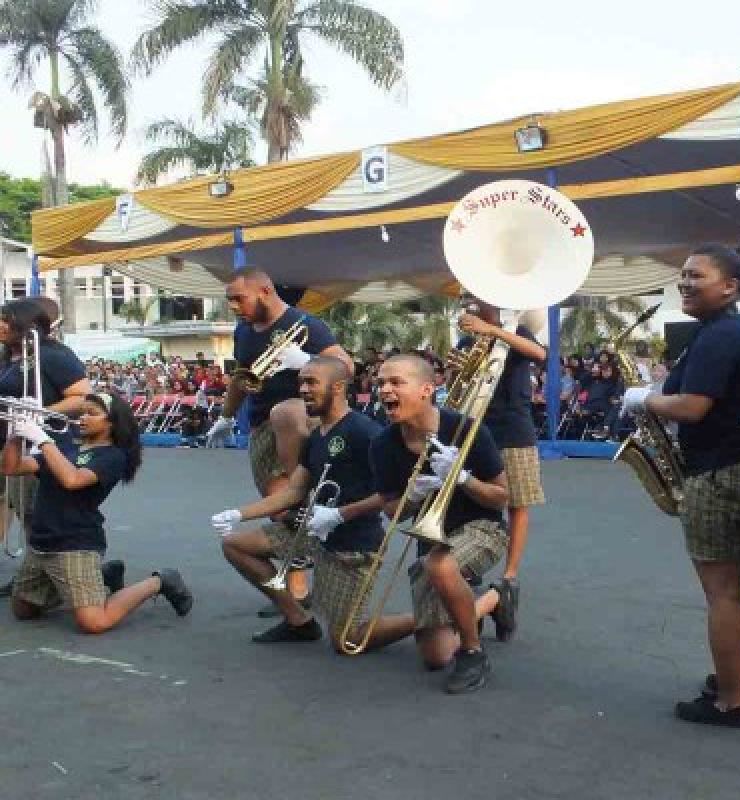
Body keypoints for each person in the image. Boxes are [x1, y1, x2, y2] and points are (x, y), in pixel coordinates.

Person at [621, 243, 740, 727]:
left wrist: (643, 399)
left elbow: (691, 406)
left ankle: (729, 702)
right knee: (736, 582)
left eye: (696, 276)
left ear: (729, 286)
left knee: (721, 591)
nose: (685, 283)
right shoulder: (729, 330)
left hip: (721, 472)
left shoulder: (721, 335)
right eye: (683, 275)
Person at [356, 355, 514, 693]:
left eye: (396, 382)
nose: (384, 390)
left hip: (483, 528)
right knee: (437, 656)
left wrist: (463, 478)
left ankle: (474, 653)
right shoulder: (382, 445)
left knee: (439, 564)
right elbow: (392, 510)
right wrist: (416, 491)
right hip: (433, 540)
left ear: (427, 389)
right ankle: (495, 599)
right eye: (380, 382)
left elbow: (502, 497)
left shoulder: (467, 429)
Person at [212, 357, 387, 645]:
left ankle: (435, 622)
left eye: (312, 382)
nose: (303, 389)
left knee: (347, 639)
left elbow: (392, 492)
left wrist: (340, 515)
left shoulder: (364, 431)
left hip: (354, 543)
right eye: (301, 382)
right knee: (234, 545)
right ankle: (299, 621)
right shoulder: (317, 435)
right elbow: (293, 492)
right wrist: (238, 514)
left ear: (339, 387)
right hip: (315, 535)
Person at [206, 268, 353, 612]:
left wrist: (308, 361)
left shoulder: (307, 324)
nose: (234, 307)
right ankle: (293, 589)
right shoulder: (244, 332)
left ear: (265, 291)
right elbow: (240, 380)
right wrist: (226, 417)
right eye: (230, 301)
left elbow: (346, 366)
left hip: (299, 421)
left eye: (239, 299)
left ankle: (298, 589)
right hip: (261, 427)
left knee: (293, 503)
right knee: (282, 515)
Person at [3, 392, 193, 632]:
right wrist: (16, 431)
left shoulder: (113, 456)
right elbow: (12, 467)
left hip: (75, 543)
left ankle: (159, 581)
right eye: (82, 412)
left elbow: (72, 480)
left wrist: (42, 439)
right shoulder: (66, 445)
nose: (83, 418)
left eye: (92, 413)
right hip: (42, 541)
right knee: (24, 611)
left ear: (112, 422)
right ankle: (100, 578)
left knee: (93, 622)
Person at [455, 293, 546, 636]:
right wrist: (455, 371)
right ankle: (471, 565)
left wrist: (491, 331)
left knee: (517, 502)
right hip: (476, 427)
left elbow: (540, 355)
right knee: (474, 497)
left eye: (472, 299)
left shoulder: (516, 327)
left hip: (513, 427)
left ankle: (509, 575)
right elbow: (460, 388)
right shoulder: (467, 338)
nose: (467, 305)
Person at [0, 297, 91, 598]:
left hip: (46, 446)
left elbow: (81, 397)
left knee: (40, 514)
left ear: (24, 324)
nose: (0, 325)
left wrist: (37, 416)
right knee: (26, 513)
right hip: (14, 446)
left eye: (5, 320)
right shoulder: (10, 357)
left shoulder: (51, 355)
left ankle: (53, 581)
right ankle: (35, 577)